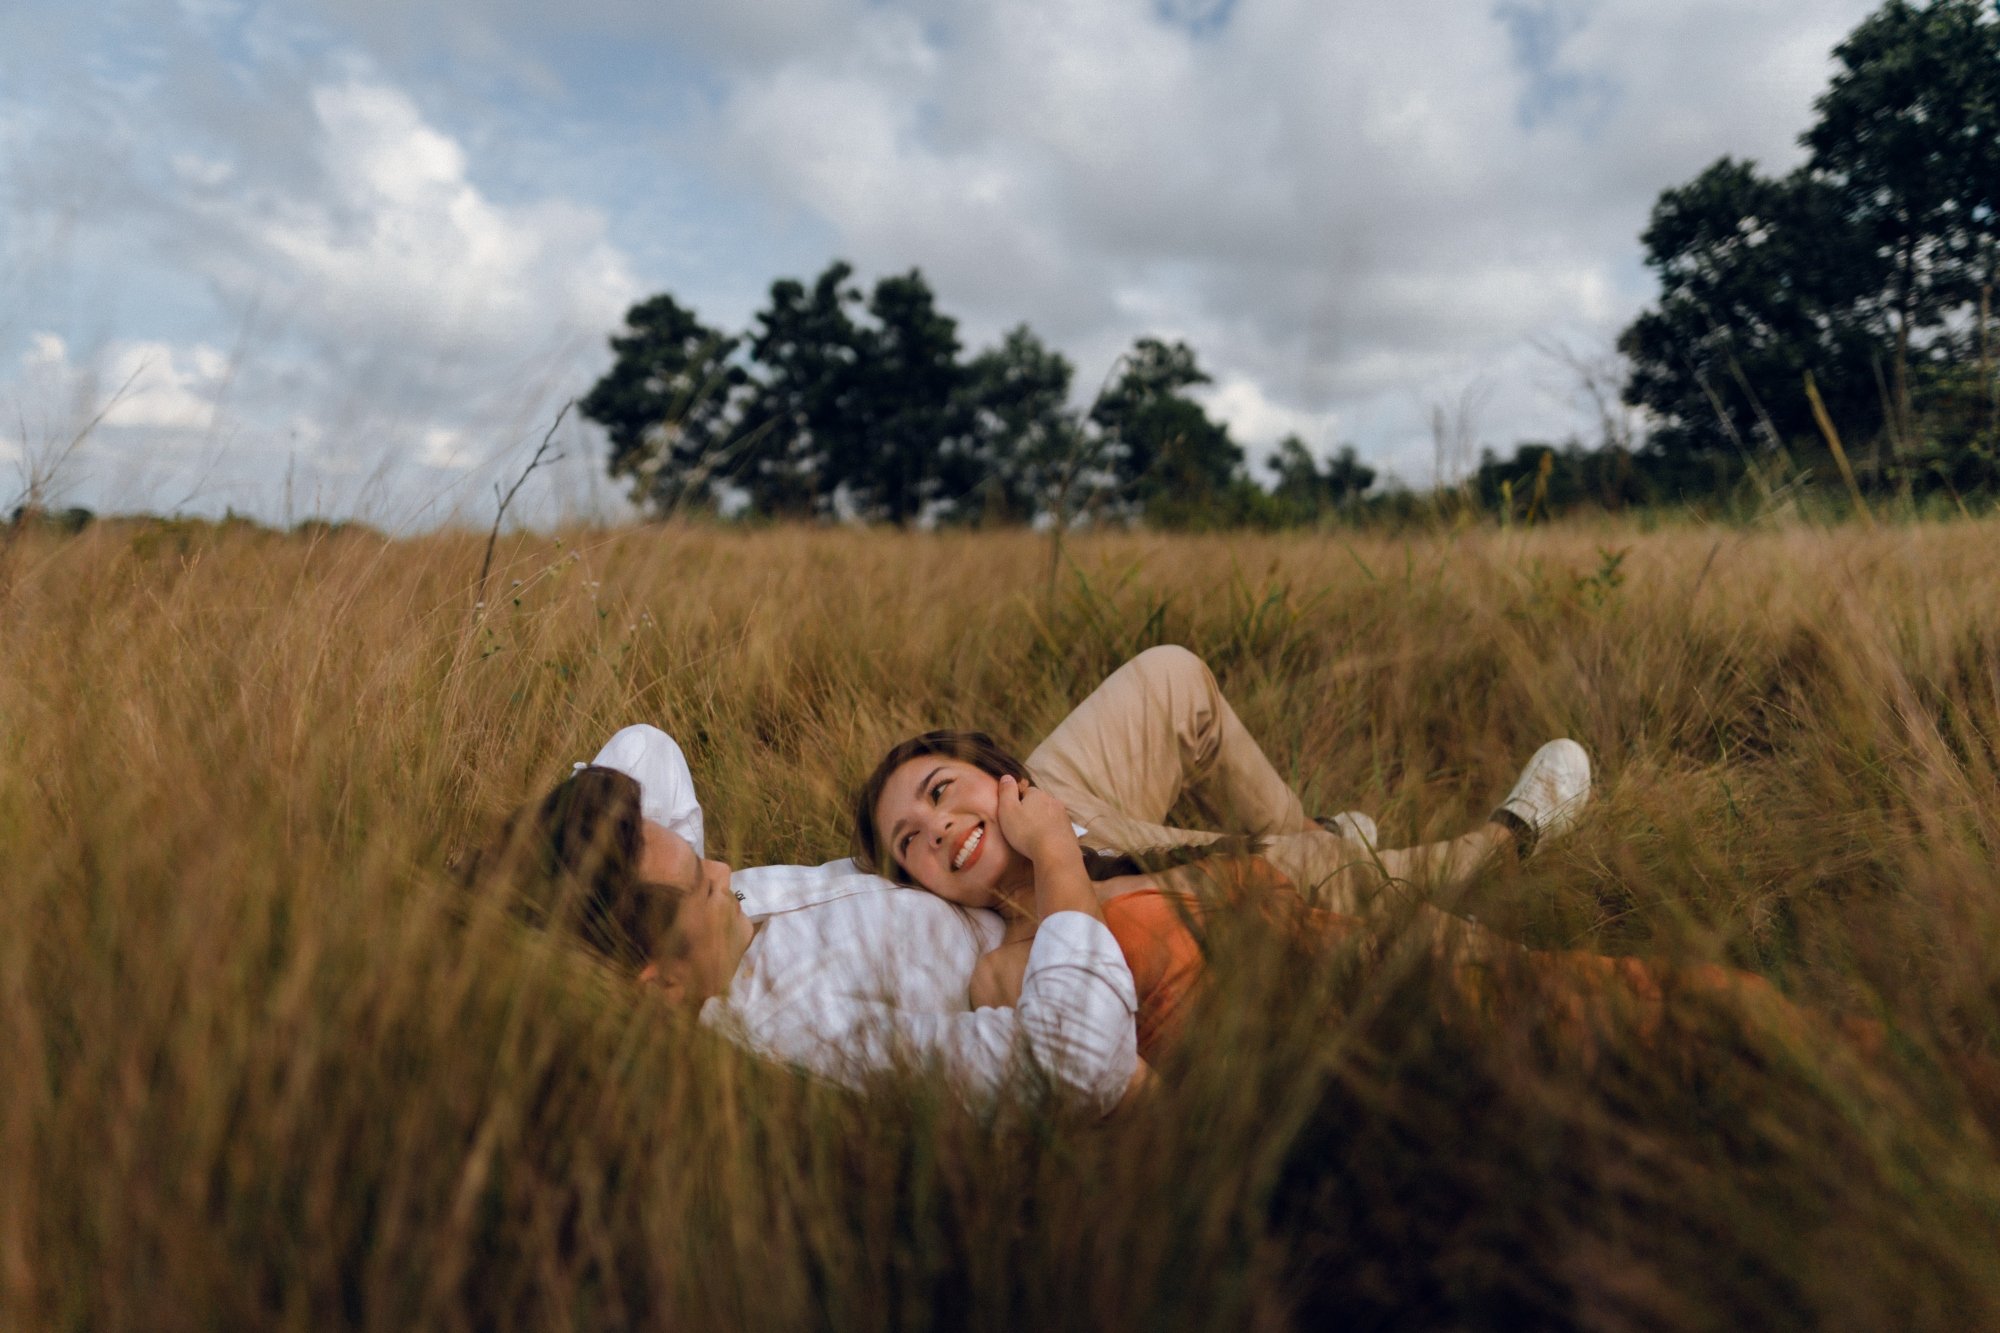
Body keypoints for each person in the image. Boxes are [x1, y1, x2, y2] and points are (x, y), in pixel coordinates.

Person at [479, 730, 1143, 1114]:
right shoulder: (800, 1032)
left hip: (1003, 840)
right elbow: (1076, 1057)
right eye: (703, 884)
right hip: (1067, 916)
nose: (726, 866)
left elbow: (644, 746)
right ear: (660, 987)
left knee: (1169, 681)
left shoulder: (681, 913)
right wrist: (1054, 848)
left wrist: (533, 879)